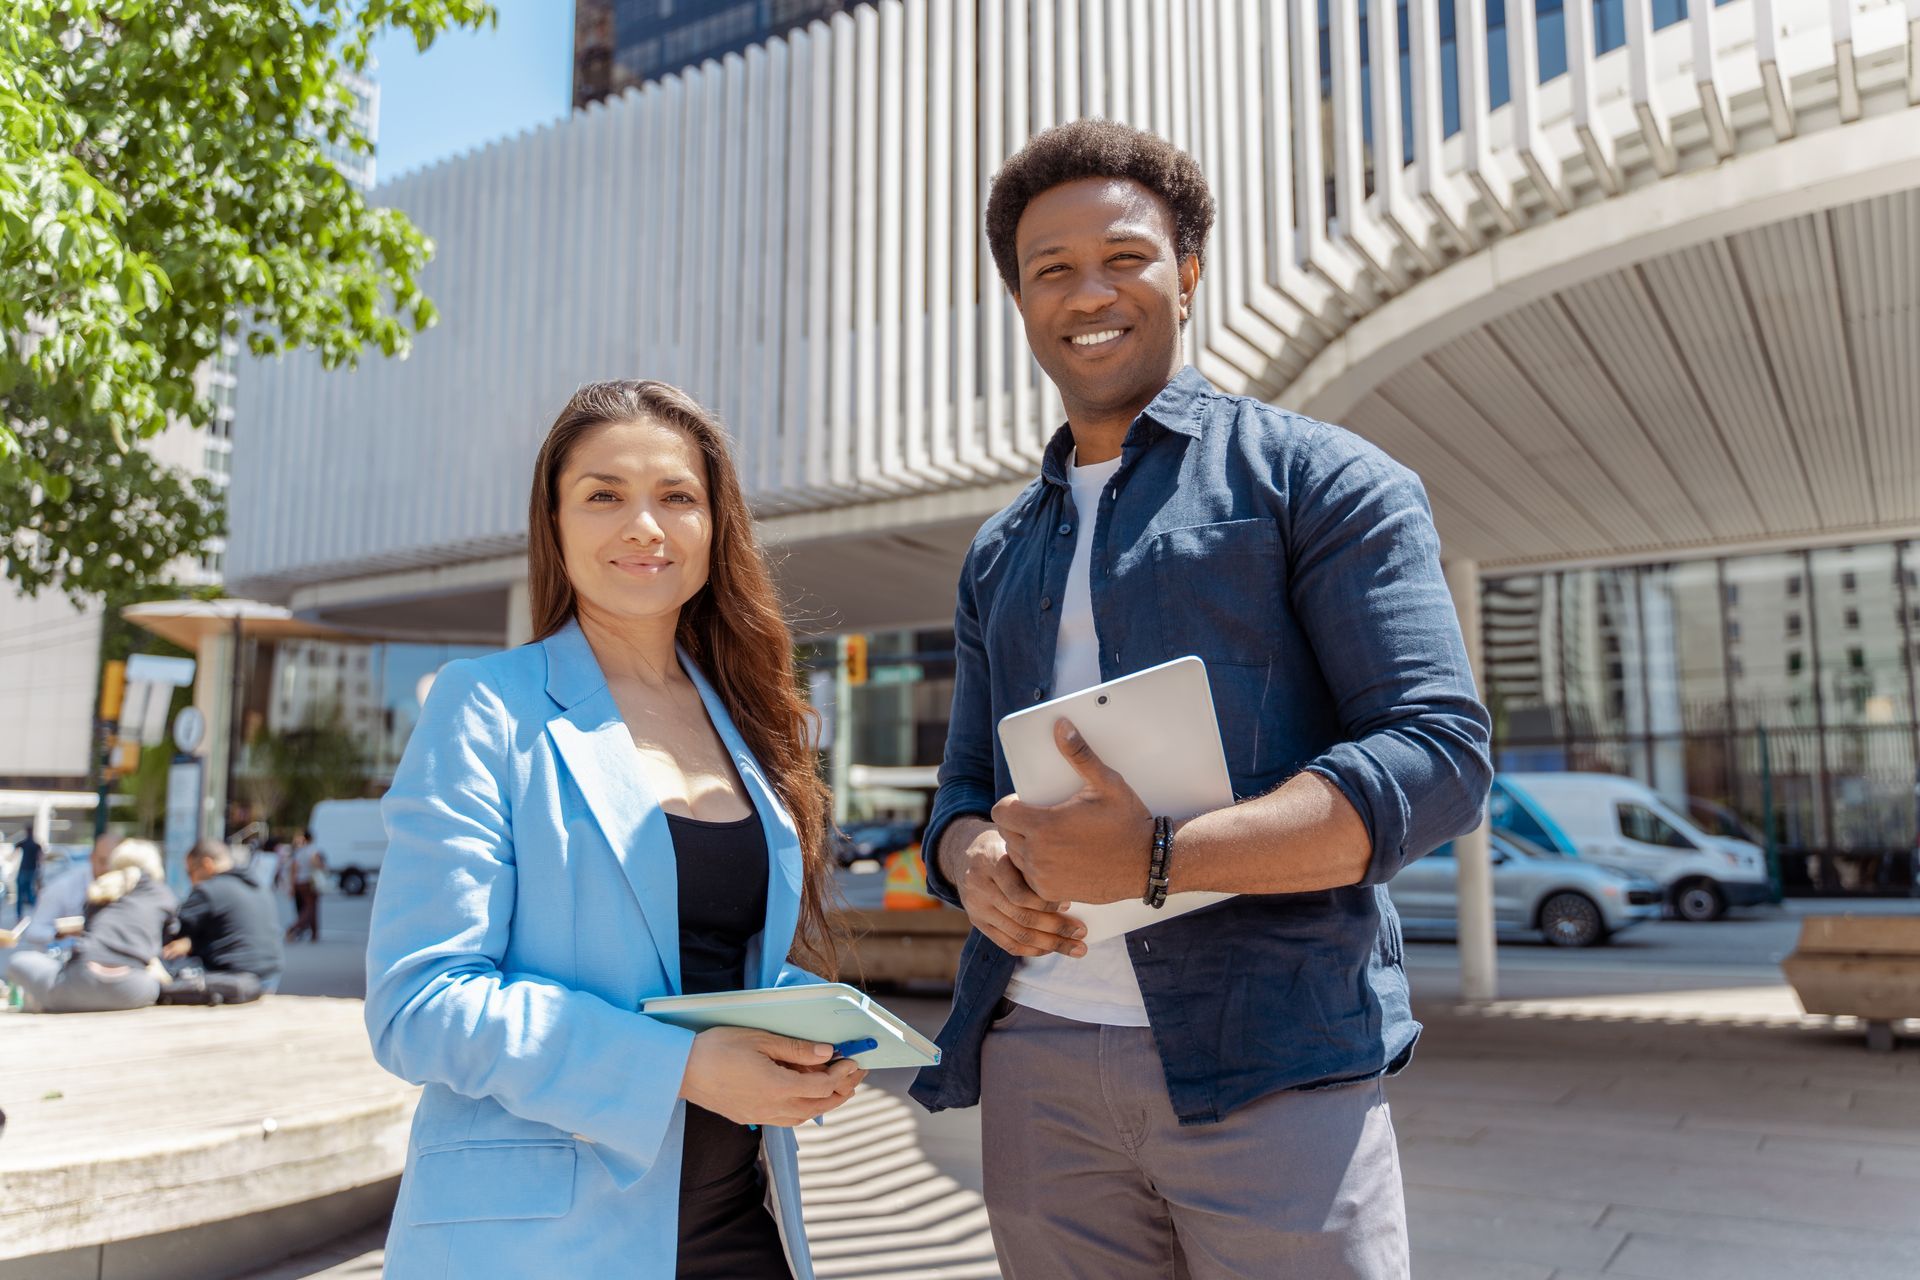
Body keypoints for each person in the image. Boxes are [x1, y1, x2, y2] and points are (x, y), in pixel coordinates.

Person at [908, 120, 1493, 1280]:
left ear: (1186, 268)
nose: (1090, 292)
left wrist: (1161, 856)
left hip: (1272, 1064)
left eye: (1124, 256)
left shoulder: (1322, 480)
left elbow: (1439, 755)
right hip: (1039, 1063)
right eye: (1050, 269)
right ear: (1021, 302)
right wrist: (972, 859)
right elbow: (963, 792)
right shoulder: (998, 552)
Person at [365, 380, 864, 1279]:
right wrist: (681, 1069)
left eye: (677, 496)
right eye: (603, 496)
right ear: (555, 525)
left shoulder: (745, 717)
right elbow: (420, 1006)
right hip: (540, 1236)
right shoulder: (487, 706)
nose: (645, 526)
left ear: (717, 527)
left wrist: (806, 1030)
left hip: (738, 1220)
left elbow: (695, 951)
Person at [4, 839, 178, 1014]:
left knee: (19, 961)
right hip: (132, 989)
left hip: (80, 982)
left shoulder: (104, 887)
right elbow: (163, 943)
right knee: (152, 982)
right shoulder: (163, 895)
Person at [164, 840, 285, 992]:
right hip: (269, 975)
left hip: (233, 979)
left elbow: (174, 928)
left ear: (207, 864)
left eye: (190, 872)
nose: (190, 879)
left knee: (167, 973)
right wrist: (192, 943)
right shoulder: (258, 885)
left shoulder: (208, 890)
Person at [285, 829, 324, 943]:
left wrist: (292, 886)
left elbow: (294, 869)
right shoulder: (312, 850)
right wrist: (322, 866)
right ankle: (294, 928)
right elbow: (316, 863)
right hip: (309, 881)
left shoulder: (299, 851)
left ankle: (314, 934)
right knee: (310, 908)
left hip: (299, 882)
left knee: (311, 907)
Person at [12, 828, 41, 918]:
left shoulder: (25, 843)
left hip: (24, 870)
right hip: (32, 870)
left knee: (21, 893)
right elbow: (40, 858)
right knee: (29, 893)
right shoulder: (36, 845)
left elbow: (15, 847)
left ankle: (20, 914)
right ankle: (36, 912)